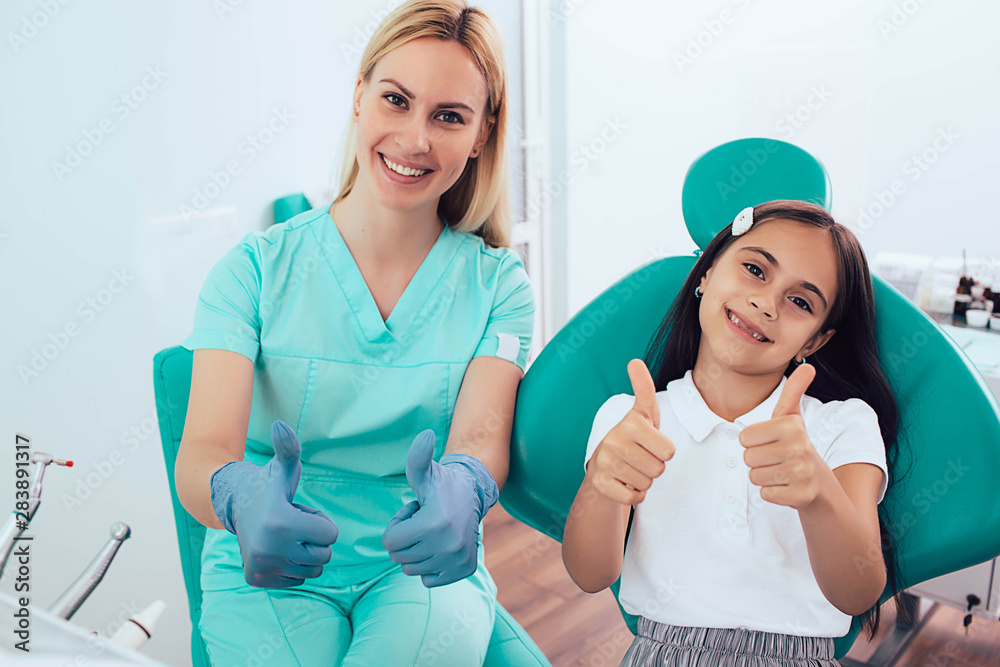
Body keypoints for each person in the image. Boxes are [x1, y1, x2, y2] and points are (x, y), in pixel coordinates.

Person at [173, 2, 535, 665]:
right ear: (360, 97)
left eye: (449, 116)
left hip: (419, 564)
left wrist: (468, 484)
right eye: (396, 99)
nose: (415, 139)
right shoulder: (252, 272)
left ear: (482, 134)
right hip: (272, 570)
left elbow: (481, 439)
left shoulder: (500, 286)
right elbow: (201, 450)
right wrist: (236, 496)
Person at [562, 200, 902, 666]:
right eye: (755, 270)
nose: (766, 303)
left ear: (814, 341)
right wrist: (603, 486)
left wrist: (820, 495)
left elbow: (859, 593)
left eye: (800, 302)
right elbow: (589, 575)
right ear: (706, 273)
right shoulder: (629, 419)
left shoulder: (843, 425)